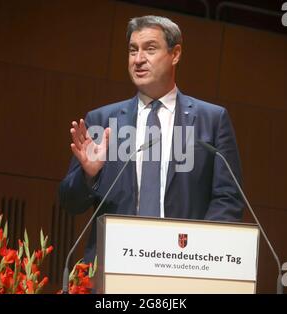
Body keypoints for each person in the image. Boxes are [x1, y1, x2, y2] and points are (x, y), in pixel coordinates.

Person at [59, 15, 244, 263]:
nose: (138, 59)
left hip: (186, 265)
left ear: (175, 54)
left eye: (150, 49)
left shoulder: (211, 119)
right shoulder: (103, 121)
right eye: (132, 50)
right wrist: (88, 176)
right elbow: (70, 204)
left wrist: (199, 253)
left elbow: (228, 198)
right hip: (114, 266)